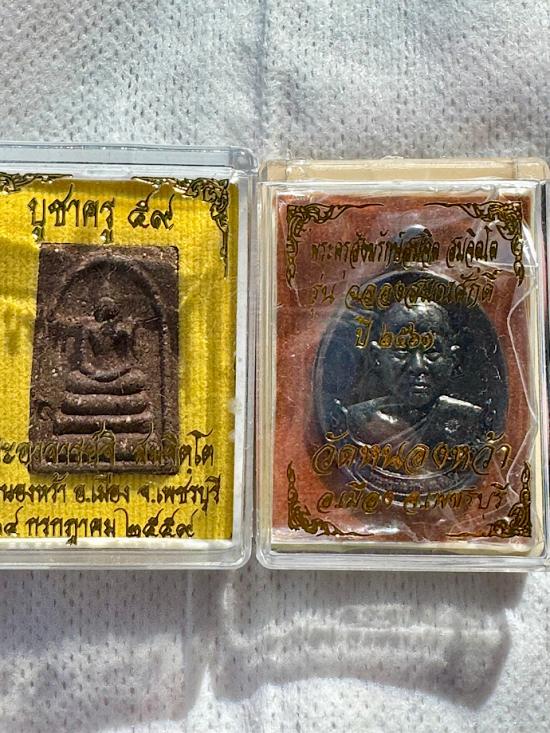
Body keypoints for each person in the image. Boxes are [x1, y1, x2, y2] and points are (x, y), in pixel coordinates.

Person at [342, 301, 484, 449]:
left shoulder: (469, 420)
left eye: (431, 351)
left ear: (453, 359)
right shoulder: (359, 420)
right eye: (402, 350)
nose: (418, 366)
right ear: (376, 357)